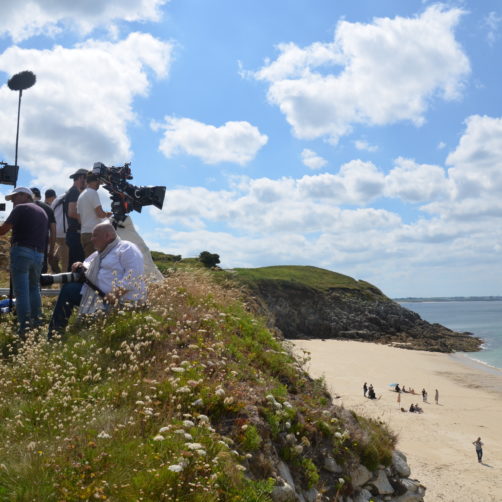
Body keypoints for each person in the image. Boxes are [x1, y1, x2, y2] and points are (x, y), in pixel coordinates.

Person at [48, 221, 145, 336]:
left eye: (95, 235)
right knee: (68, 290)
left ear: (107, 236)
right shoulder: (99, 253)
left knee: (69, 290)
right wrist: (79, 264)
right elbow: (87, 265)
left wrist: (115, 294)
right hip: (95, 295)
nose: (92, 239)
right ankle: (55, 333)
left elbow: (134, 273)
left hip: (120, 301)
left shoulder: (127, 248)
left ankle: (70, 330)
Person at [0, 187, 48, 335]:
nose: (13, 201)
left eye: (15, 197)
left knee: (21, 292)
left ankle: (25, 328)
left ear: (25, 196)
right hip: (38, 254)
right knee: (34, 289)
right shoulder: (43, 212)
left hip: (22, 251)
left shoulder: (21, 208)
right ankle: (37, 323)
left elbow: (4, 230)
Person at [77, 171, 112, 258]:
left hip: (84, 234)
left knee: (89, 263)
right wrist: (107, 214)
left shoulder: (81, 196)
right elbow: (100, 214)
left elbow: (79, 219)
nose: (99, 185)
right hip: (94, 234)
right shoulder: (92, 192)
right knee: (96, 264)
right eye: (98, 182)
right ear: (94, 181)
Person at [64, 168, 87, 270]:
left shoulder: (73, 192)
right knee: (76, 266)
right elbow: (72, 212)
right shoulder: (74, 192)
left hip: (74, 234)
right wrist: (87, 220)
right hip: (75, 234)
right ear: (82, 178)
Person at [31, 187, 56, 273]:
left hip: (24, 247)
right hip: (42, 248)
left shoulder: (22, 206)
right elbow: (53, 231)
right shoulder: (48, 209)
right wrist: (51, 250)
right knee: (39, 278)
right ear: (40, 197)